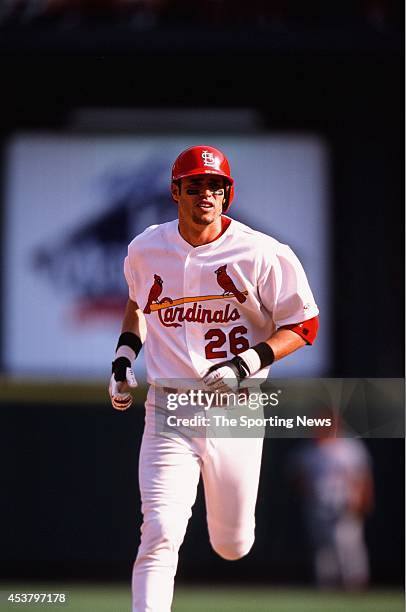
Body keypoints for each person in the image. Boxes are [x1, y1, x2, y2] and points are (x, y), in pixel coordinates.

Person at [108, 144, 319, 612]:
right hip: (169, 407)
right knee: (159, 530)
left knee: (232, 542)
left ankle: (233, 536)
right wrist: (123, 357)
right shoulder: (146, 249)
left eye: (215, 185)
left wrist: (246, 362)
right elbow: (136, 304)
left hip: (236, 409)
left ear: (227, 194)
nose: (206, 193)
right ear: (175, 192)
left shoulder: (262, 251)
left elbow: (304, 325)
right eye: (195, 185)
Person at [290, 423, 374, 590]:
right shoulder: (310, 448)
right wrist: (309, 494)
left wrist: (364, 499)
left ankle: (356, 585)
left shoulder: (350, 447)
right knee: (323, 548)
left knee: (349, 544)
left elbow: (363, 476)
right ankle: (327, 585)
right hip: (319, 504)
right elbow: (296, 474)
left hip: (346, 503)